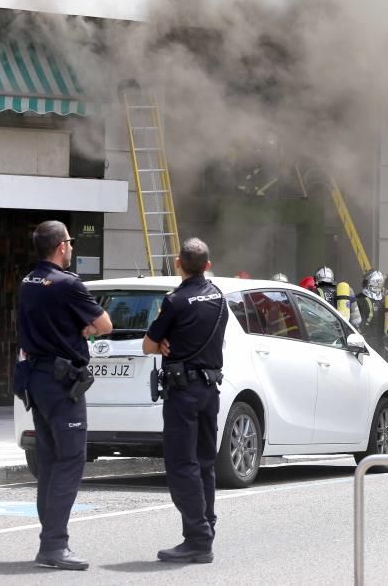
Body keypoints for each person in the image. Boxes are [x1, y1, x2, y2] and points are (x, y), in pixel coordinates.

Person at [17, 220, 113, 570]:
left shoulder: (28, 282)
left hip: (36, 379)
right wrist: (83, 328)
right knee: (70, 460)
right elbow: (105, 325)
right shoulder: (68, 285)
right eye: (70, 242)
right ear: (60, 246)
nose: (72, 247)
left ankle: (50, 541)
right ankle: (54, 547)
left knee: (51, 461)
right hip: (61, 382)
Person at [143, 238, 229, 564]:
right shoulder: (220, 297)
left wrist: (166, 341)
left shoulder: (175, 301)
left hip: (183, 392)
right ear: (207, 265)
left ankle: (197, 538)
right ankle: (206, 526)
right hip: (210, 389)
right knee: (205, 462)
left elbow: (148, 346)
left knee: (181, 465)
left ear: (178, 263)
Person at [357, 270, 388, 357]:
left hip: (366, 341)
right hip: (379, 342)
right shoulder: (385, 301)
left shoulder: (359, 300)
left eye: (365, 281)